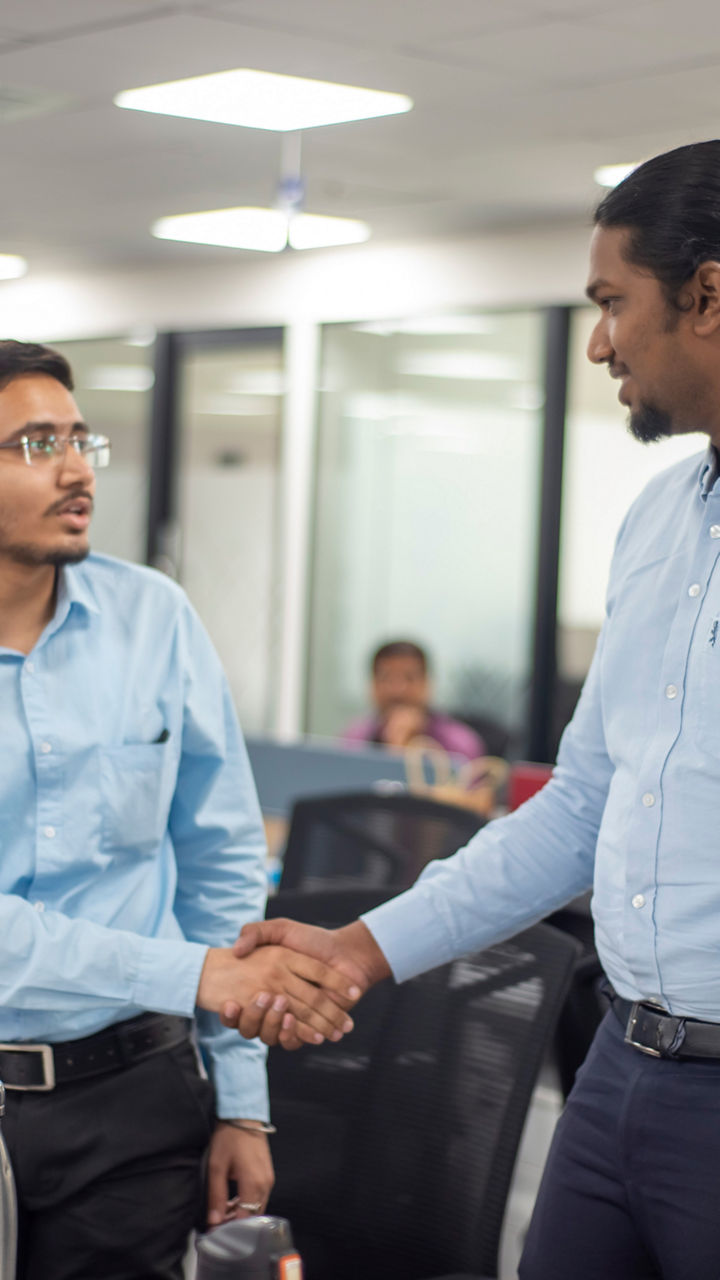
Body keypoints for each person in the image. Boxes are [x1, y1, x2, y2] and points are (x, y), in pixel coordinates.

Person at [228, 140, 720, 1280]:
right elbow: (580, 806)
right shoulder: (658, 521)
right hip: (619, 1071)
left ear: (706, 293)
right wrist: (358, 948)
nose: (598, 341)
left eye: (612, 303)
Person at [0, 340, 358, 1280]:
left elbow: (220, 859)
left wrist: (242, 1101)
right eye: (35, 443)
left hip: (135, 1101)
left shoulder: (153, 618)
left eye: (81, 440)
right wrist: (197, 973)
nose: (77, 469)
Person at [341, 639, 485, 760]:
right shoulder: (354, 741)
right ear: (372, 685)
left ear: (427, 683)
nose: (397, 689)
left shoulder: (459, 745)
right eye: (386, 678)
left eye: (409, 678)